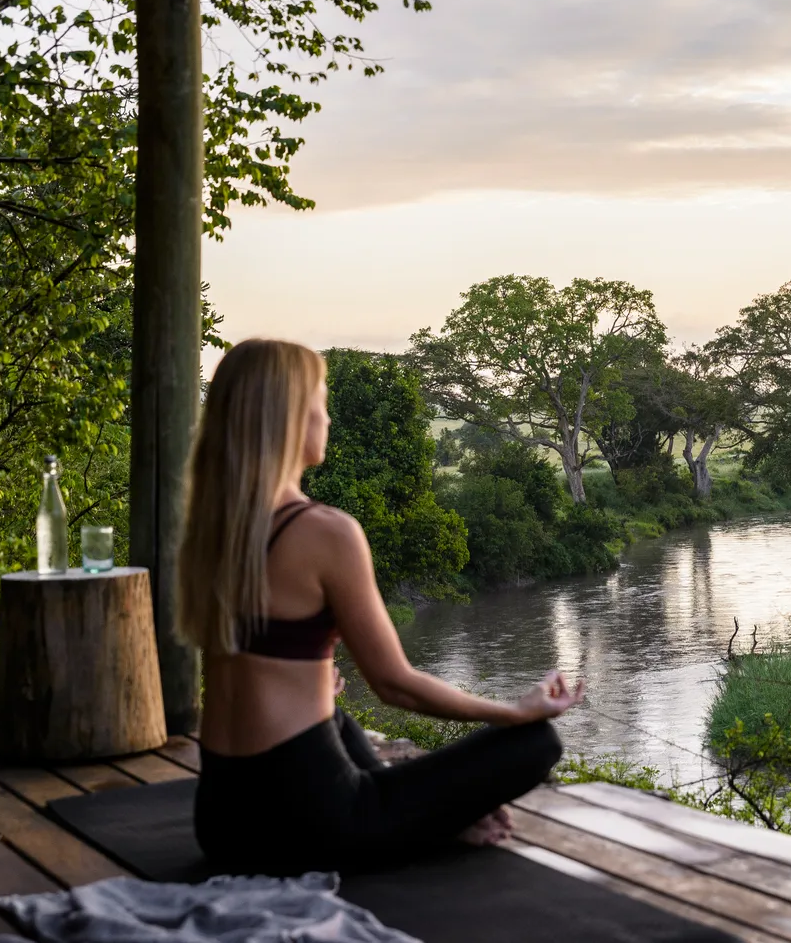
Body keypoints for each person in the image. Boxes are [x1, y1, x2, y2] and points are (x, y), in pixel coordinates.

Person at [178, 338, 585, 876]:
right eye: (320, 403)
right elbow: (394, 684)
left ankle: (424, 818)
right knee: (536, 743)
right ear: (292, 418)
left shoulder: (212, 530)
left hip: (224, 826)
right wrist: (516, 710)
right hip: (307, 830)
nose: (327, 417)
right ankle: (423, 820)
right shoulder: (325, 531)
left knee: (334, 715)